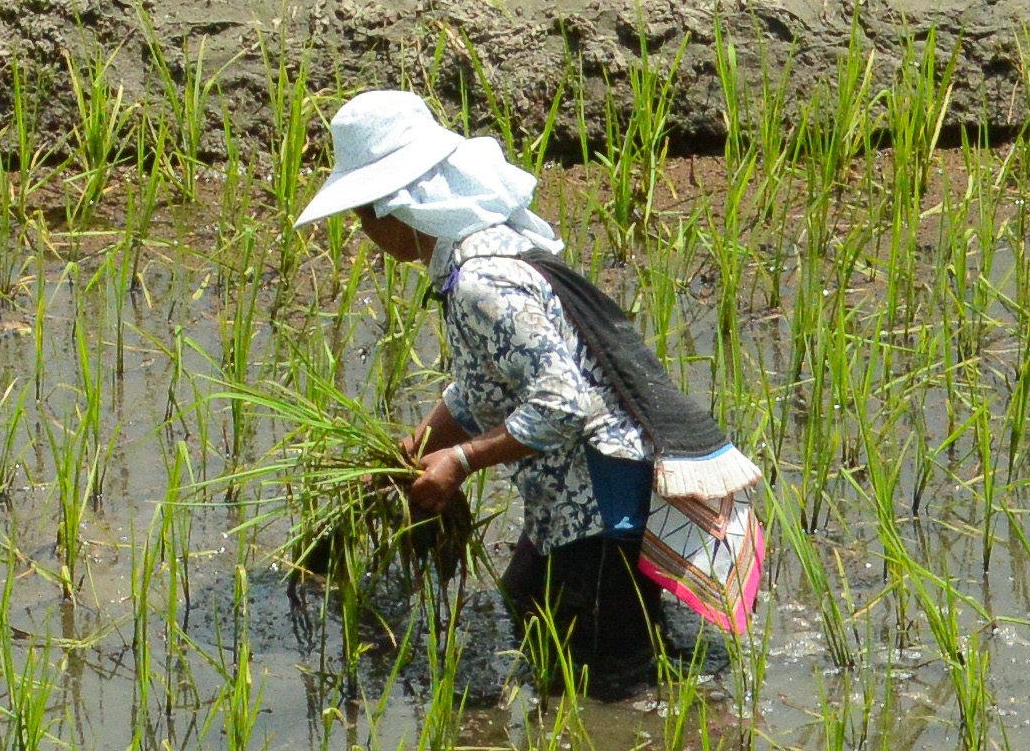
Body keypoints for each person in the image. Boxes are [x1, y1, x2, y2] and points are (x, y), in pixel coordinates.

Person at [296, 88, 770, 698]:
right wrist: (417, 449)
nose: (365, 232)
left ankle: (655, 749)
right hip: (587, 492)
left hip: (602, 504)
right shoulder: (490, 255)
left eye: (365, 215)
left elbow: (560, 403)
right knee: (529, 595)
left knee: (607, 688)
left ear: (400, 208)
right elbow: (484, 386)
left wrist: (461, 462)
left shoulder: (479, 283)